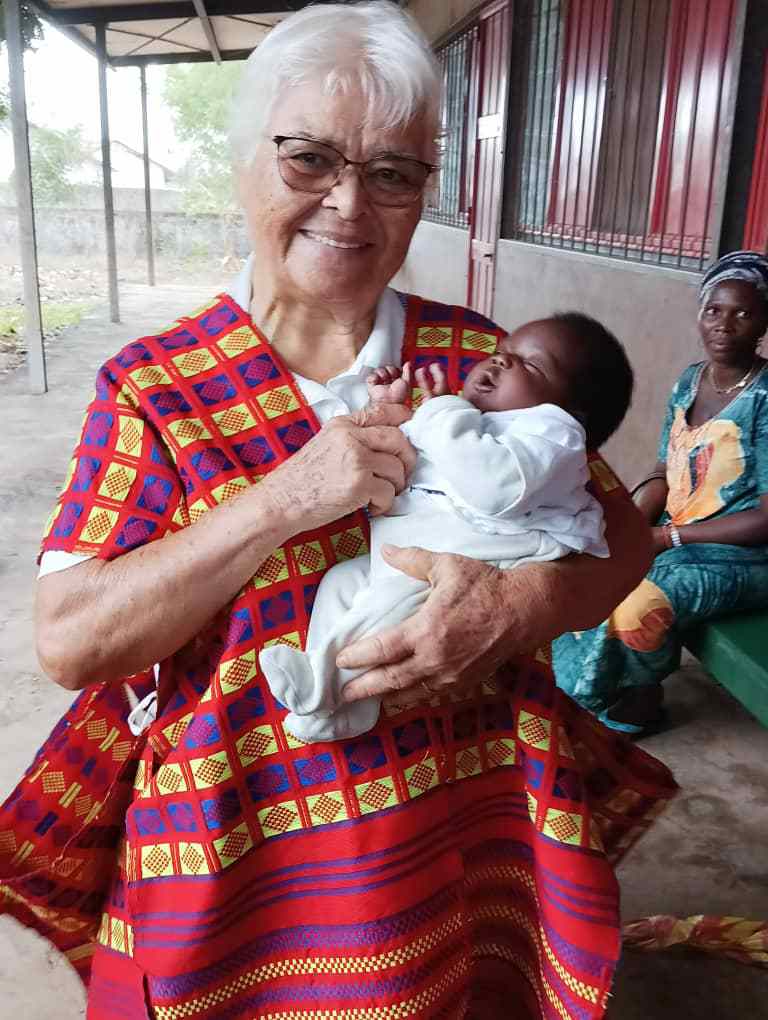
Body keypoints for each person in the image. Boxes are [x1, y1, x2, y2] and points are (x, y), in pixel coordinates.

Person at [0, 5, 675, 1019]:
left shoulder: (481, 362)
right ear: (242, 164)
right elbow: (71, 640)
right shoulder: (159, 386)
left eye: (394, 173)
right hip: (238, 851)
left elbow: (623, 535)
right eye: (310, 158)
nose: (350, 204)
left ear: (421, 197)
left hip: (464, 835)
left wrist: (518, 608)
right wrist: (285, 499)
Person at [261, 313, 633, 742]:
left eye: (530, 365)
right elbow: (416, 459)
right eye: (501, 353)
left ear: (573, 410)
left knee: (383, 608)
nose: (501, 363)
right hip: (409, 551)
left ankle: (322, 682)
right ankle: (341, 703)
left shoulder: (553, 436)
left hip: (461, 561)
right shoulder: (478, 420)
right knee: (341, 583)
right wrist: (392, 410)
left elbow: (494, 487)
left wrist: (442, 409)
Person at [554, 250, 768, 735]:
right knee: (589, 563)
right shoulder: (690, 380)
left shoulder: (765, 398)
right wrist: (624, 521)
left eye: (743, 313)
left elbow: (765, 518)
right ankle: (593, 692)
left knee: (640, 603)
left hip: (744, 557)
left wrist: (664, 538)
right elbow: (664, 468)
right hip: (681, 537)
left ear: (763, 323)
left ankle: (640, 703)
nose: (724, 324)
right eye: (714, 310)